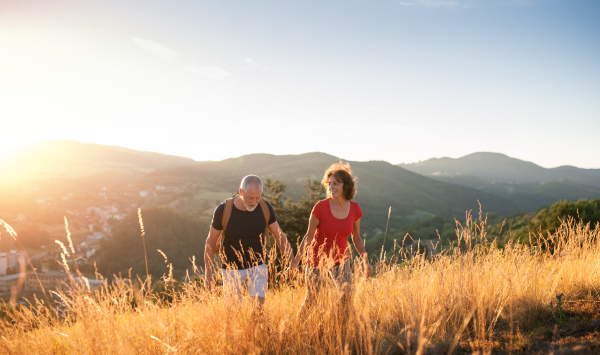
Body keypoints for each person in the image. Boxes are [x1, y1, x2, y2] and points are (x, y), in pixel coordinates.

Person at [291, 161, 372, 319]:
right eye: (329, 184)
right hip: (316, 259)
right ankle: (296, 327)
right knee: (312, 299)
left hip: (340, 260)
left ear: (346, 186)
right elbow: (308, 237)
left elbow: (356, 238)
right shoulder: (320, 207)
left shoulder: (355, 209)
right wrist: (295, 261)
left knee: (346, 296)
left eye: (336, 183)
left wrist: (365, 260)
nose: (331, 187)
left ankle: (336, 324)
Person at [204, 175, 297, 307]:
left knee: (258, 310)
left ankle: (257, 327)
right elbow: (210, 242)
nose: (254, 202)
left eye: (257, 198)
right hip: (231, 268)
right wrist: (208, 274)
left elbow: (279, 235)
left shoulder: (265, 208)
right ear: (241, 192)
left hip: (258, 265)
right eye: (250, 198)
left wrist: (292, 262)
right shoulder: (223, 210)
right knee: (233, 312)